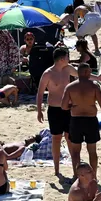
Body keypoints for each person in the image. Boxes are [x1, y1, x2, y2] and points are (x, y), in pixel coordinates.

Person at [63, 62, 101, 179]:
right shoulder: (94, 86)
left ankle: (77, 176)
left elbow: (64, 106)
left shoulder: (70, 87)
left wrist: (74, 106)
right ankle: (93, 175)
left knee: (76, 152)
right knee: (92, 151)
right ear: (85, 72)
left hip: (76, 120)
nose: (91, 72)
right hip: (90, 120)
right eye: (89, 71)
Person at [35, 47, 77, 177]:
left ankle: (75, 169)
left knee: (70, 138)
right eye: (67, 56)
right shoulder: (48, 73)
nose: (69, 59)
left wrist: (98, 78)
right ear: (62, 59)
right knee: (56, 138)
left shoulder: (68, 69)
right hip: (54, 109)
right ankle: (57, 169)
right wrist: (39, 110)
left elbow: (83, 74)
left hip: (68, 108)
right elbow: (40, 92)